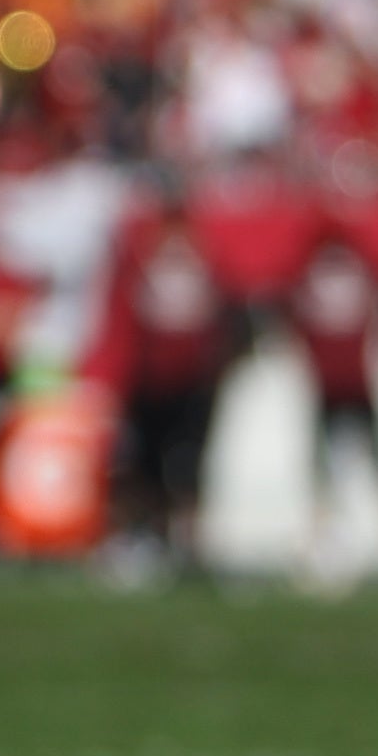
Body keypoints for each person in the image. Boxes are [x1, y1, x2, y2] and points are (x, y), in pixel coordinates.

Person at [104, 204, 237, 580]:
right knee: (143, 466)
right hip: (149, 382)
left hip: (193, 383)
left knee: (190, 467)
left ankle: (189, 545)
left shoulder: (207, 265)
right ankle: (146, 537)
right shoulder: (141, 265)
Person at [285, 220, 378, 593]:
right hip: (354, 380)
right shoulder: (360, 272)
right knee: (371, 463)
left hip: (333, 382)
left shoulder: (311, 274)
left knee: (335, 468)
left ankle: (340, 539)